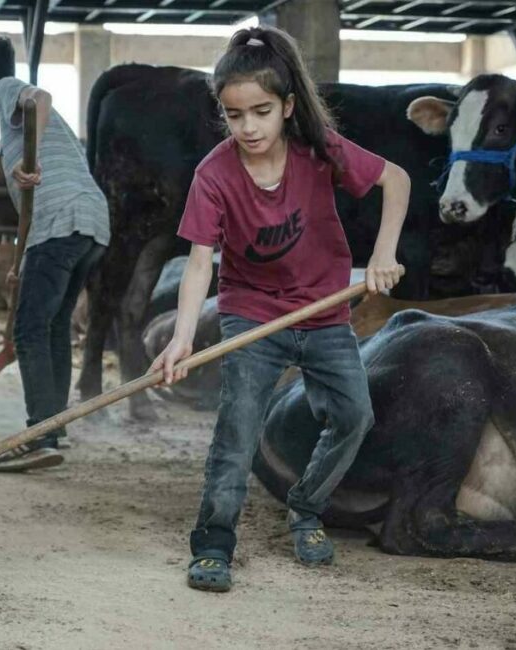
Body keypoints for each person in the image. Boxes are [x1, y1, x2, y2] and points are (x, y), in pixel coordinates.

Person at [148, 26, 410, 592]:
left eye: (261, 112)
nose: (248, 127)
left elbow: (397, 179)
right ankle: (214, 543)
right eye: (235, 114)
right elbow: (199, 265)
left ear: (287, 107)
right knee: (238, 426)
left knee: (354, 415)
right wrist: (183, 337)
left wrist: (384, 251)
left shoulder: (320, 152)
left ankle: (306, 506)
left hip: (324, 313)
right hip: (252, 315)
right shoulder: (214, 175)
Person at [0, 35, 111, 472]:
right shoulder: (16, 127)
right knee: (53, 327)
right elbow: (28, 212)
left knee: (28, 331)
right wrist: (18, 261)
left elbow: (38, 96)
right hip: (89, 224)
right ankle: (54, 428)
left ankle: (39, 435)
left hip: (64, 221)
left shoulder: (7, 89)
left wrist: (31, 156)